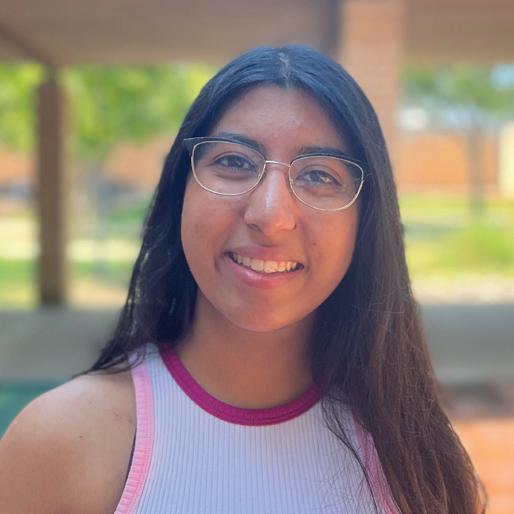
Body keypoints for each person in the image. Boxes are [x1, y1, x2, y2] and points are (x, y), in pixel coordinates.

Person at [0, 45, 484, 514]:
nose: (270, 215)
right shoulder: (62, 442)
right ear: (180, 191)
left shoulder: (419, 462)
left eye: (319, 175)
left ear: (367, 221)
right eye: (234, 162)